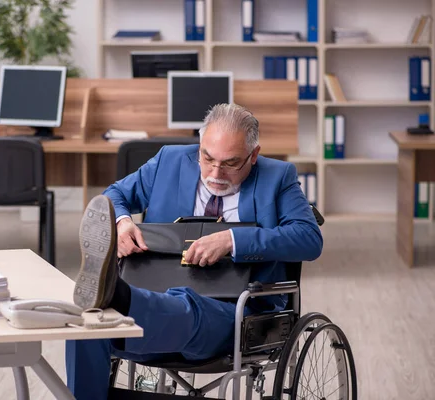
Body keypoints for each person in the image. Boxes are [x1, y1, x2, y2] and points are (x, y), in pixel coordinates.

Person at [66, 103, 323, 399]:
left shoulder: (277, 176)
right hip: (153, 302)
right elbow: (115, 194)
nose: (215, 173)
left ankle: (116, 294)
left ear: (253, 156)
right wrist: (122, 224)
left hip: (236, 313)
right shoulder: (169, 160)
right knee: (86, 325)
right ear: (200, 146)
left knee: (187, 305)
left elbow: (308, 238)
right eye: (207, 158)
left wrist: (232, 240)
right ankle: (111, 298)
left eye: (230, 163)